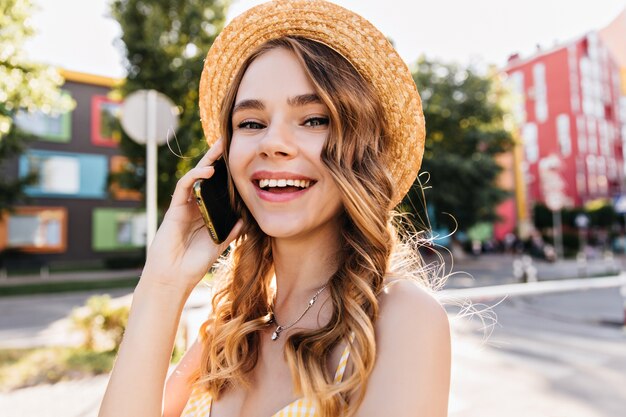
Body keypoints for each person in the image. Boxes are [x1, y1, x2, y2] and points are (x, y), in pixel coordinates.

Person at [98, 1, 451, 416]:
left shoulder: (400, 321)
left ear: (361, 151)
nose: (272, 142)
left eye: (314, 119)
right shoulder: (229, 334)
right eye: (250, 123)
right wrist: (162, 286)